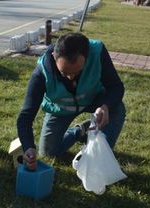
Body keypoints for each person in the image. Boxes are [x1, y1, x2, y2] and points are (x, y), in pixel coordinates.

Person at [17, 32, 126, 170]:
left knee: (117, 108)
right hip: (61, 108)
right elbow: (25, 116)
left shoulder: (97, 52)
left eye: (77, 72)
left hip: (93, 99)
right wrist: (28, 147)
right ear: (54, 57)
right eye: (64, 73)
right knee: (48, 153)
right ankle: (79, 132)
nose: (70, 78)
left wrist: (105, 106)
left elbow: (116, 87)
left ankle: (101, 153)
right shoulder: (41, 72)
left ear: (87, 58)